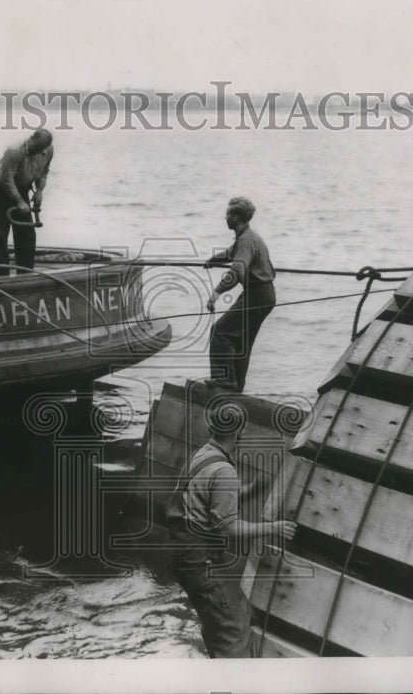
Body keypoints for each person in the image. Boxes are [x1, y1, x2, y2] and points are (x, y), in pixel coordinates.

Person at [165, 405, 296, 658]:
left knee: (220, 617)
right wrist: (274, 527)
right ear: (240, 432)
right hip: (198, 558)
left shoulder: (203, 454)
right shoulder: (224, 470)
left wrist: (247, 491)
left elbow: (206, 497)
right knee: (234, 629)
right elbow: (231, 527)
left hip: (179, 550)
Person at [203, 196, 276, 392]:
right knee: (242, 342)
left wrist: (216, 292)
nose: (225, 217)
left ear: (235, 218)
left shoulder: (245, 241)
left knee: (220, 332)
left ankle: (225, 380)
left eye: (227, 214)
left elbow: (237, 272)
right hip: (265, 295)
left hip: (257, 296)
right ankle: (236, 386)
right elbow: (230, 253)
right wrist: (212, 261)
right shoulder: (248, 236)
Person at [0, 128, 53, 276]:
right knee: (0, 236)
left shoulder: (48, 151)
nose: (35, 151)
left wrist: (39, 191)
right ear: (31, 138)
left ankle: (25, 274)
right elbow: (6, 179)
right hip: (0, 191)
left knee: (27, 235)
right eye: (34, 147)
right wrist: (19, 201)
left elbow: (44, 171)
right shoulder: (14, 151)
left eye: (39, 150)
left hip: (21, 189)